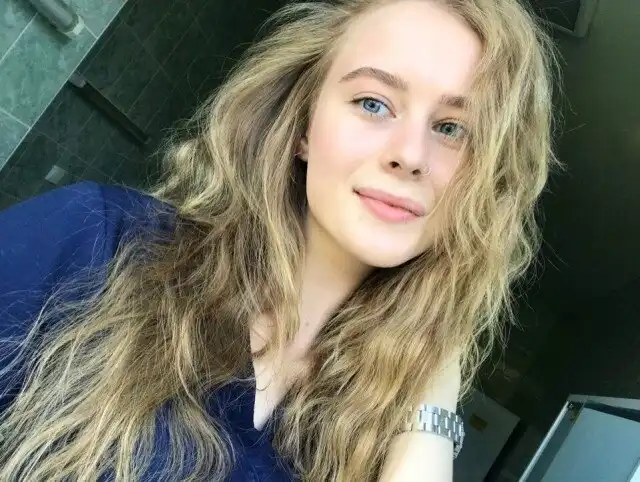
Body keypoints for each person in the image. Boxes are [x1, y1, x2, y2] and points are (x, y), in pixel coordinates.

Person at [0, 0, 557, 480]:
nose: (410, 155)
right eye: (372, 103)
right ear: (303, 129)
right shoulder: (98, 240)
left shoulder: (378, 440)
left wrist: (433, 389)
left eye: (453, 129)